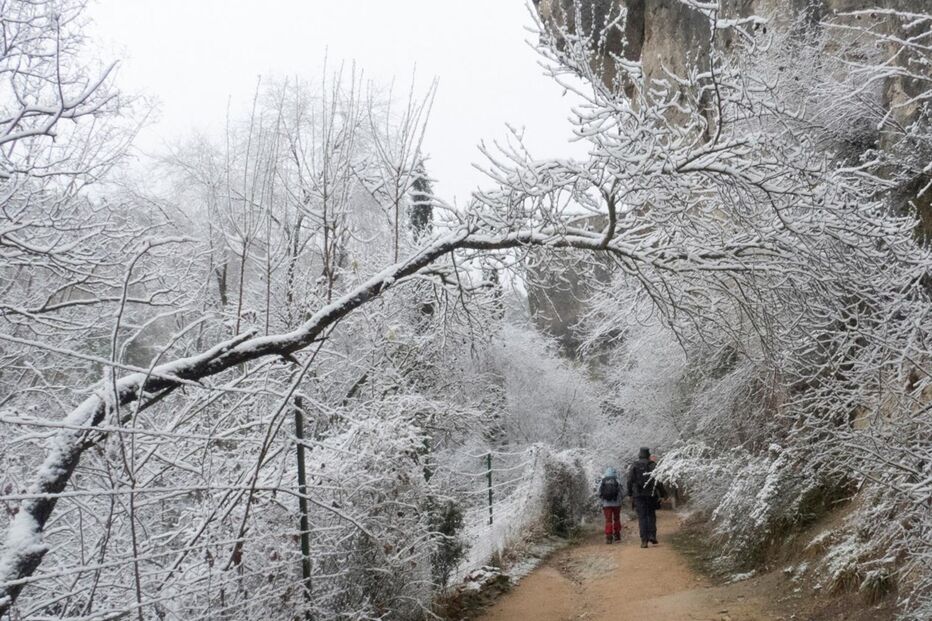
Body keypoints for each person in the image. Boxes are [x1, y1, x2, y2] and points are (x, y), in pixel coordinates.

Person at [627, 447, 666, 548]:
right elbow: (658, 481)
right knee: (651, 515)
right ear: (648, 455)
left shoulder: (634, 465)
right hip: (651, 494)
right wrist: (663, 494)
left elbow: (630, 480)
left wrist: (630, 493)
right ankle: (652, 535)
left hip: (638, 495)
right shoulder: (653, 465)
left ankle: (644, 540)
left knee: (642, 517)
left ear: (639, 455)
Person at [598, 467, 624, 544]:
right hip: (616, 504)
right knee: (616, 519)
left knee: (608, 520)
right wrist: (620, 500)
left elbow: (598, 493)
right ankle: (617, 535)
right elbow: (622, 493)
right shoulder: (617, 481)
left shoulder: (602, 482)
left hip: (606, 505)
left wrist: (603, 500)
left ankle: (609, 537)